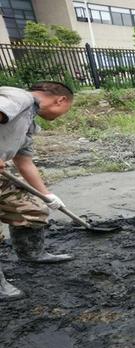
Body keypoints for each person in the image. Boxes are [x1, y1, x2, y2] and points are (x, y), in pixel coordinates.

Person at [0, 81, 74, 302]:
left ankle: (32, 254)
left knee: (32, 209)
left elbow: (24, 162)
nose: (62, 115)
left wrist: (47, 195)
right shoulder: (19, 99)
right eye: (66, 109)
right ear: (60, 100)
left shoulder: (28, 123)